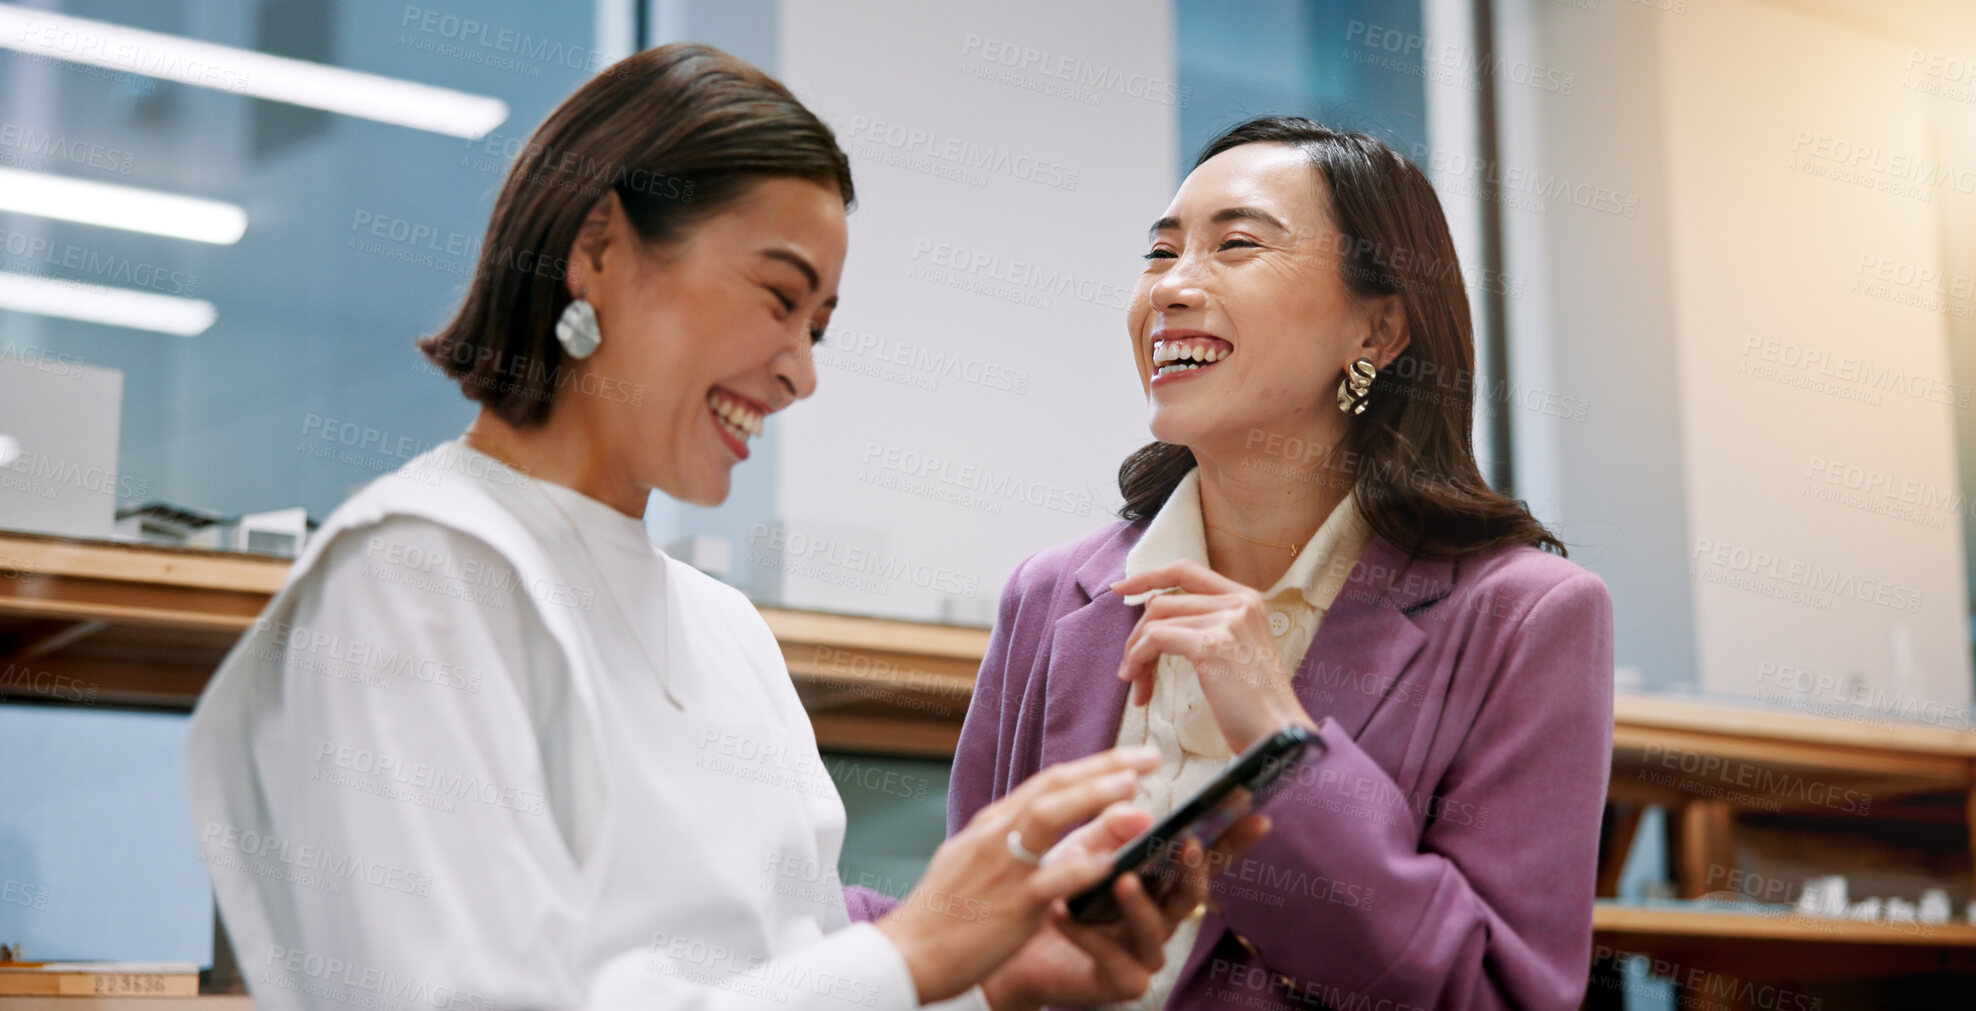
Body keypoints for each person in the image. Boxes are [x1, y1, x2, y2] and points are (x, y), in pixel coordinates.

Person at [187, 44, 1261, 1011]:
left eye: (819, 328)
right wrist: (914, 954)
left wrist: (992, 988)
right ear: (597, 244)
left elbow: (785, 976)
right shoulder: (415, 574)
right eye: (777, 297)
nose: (797, 371)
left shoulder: (727, 634)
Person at [946, 116, 1616, 1010]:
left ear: (1377, 331)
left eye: (1235, 245)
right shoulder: (1049, 593)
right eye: (1159, 253)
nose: (1172, 288)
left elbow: (1498, 994)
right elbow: (960, 931)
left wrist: (1279, 744)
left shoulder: (1527, 616)